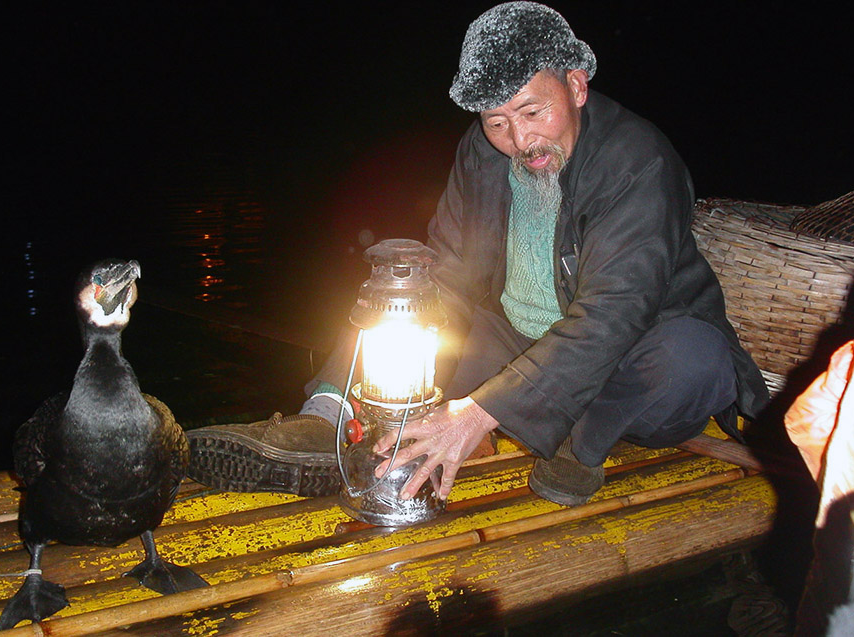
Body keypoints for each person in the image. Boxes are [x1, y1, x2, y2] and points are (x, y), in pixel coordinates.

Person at [186, 1, 769, 506]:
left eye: (532, 112)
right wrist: (367, 359)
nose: (519, 142)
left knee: (692, 362)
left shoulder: (639, 161)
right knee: (407, 299)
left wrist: (478, 413)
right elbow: (450, 274)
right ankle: (328, 420)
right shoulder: (482, 151)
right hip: (516, 338)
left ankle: (582, 439)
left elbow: (616, 312)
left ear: (576, 85)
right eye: (497, 121)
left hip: (637, 348)